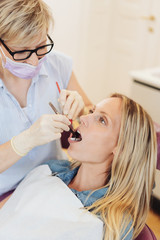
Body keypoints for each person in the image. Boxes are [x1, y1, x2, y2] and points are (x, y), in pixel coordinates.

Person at [0, 94, 157, 240]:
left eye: (102, 120)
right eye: (92, 111)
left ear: (122, 149)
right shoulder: (50, 168)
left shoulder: (111, 225)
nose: (83, 117)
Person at [0, 0, 92, 196]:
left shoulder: (58, 64)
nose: (34, 62)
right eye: (22, 52)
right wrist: (24, 141)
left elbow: (89, 110)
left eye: (41, 46)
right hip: (6, 192)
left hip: (53, 179)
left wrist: (81, 107)